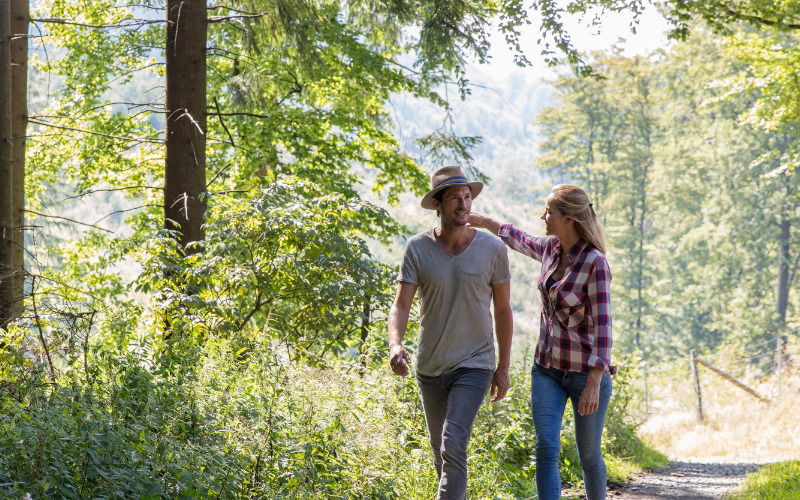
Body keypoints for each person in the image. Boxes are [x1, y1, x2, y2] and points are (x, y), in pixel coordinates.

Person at [468, 184, 615, 500]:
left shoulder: (595, 263)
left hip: (585, 375)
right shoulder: (550, 248)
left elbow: (603, 328)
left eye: (549, 211)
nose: (543, 216)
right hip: (546, 369)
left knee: (589, 456)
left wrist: (593, 383)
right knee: (546, 447)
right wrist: (481, 221)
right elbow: (517, 238)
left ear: (568, 219)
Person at [388, 165, 514, 500]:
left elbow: (503, 311)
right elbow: (401, 304)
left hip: (475, 362)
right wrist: (395, 344)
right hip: (430, 365)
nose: (464, 204)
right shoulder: (417, 248)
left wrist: (502, 367)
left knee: (453, 442)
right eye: (455, 198)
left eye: (467, 196)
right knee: (441, 452)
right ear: (438, 204)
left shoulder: (493, 249)